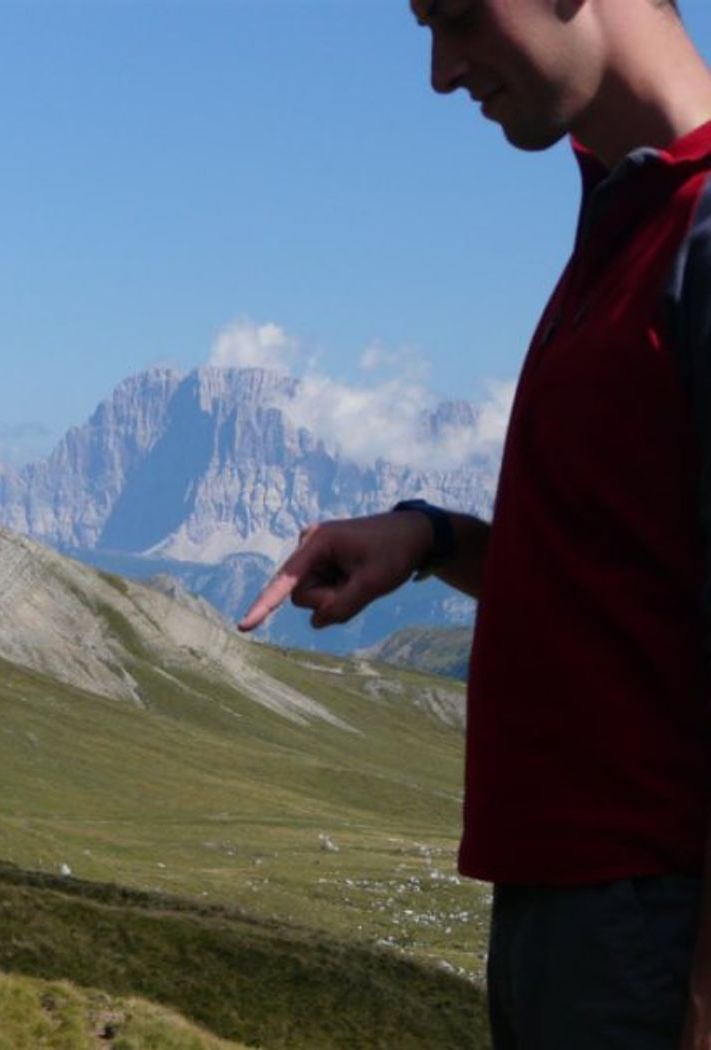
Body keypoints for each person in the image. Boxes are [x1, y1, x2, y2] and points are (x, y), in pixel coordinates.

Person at [238, 1, 711, 1046]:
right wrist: (430, 540)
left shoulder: (698, 228)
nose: (439, 73)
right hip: (573, 905)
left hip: (642, 917)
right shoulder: (623, 216)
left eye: (456, 15)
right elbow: (626, 578)